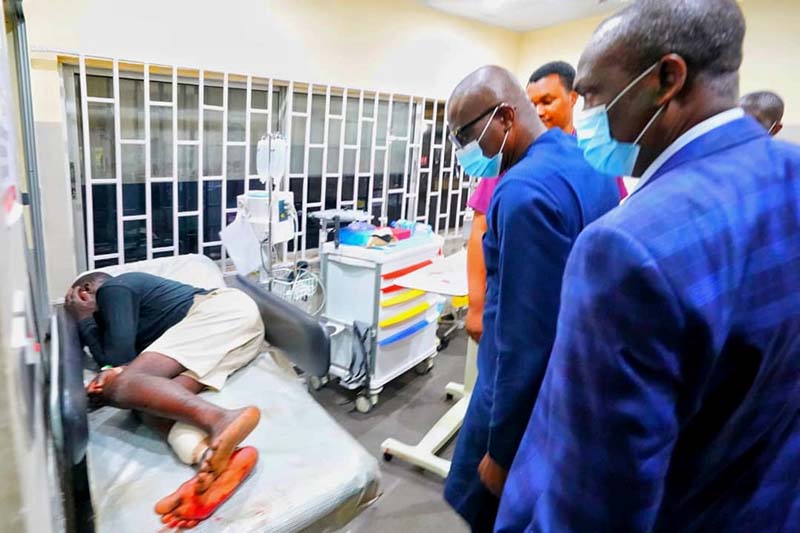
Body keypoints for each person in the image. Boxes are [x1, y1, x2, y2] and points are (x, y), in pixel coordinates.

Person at [497, 1, 800, 531]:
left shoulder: (627, 248)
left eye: (590, 93)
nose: (583, 112)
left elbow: (596, 499)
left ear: (665, 78)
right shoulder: (789, 171)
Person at [443, 65, 620, 531]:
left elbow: (525, 335)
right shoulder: (586, 161)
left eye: (465, 136)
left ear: (504, 118)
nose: (463, 153)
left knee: (483, 501)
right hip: (570, 375)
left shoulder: (522, 192)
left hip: (519, 390)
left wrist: (501, 451)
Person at [65, 271, 265, 529]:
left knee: (123, 385)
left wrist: (83, 319)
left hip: (225, 313)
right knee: (144, 401)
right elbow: (127, 367)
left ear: (85, 291)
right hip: (235, 336)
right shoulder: (149, 322)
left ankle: (222, 419)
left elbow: (115, 358)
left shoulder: (115, 288)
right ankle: (212, 461)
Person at [526, 60, 578, 134]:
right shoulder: (521, 144)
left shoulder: (586, 144)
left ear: (573, 98)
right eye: (532, 105)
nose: (538, 112)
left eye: (547, 102)